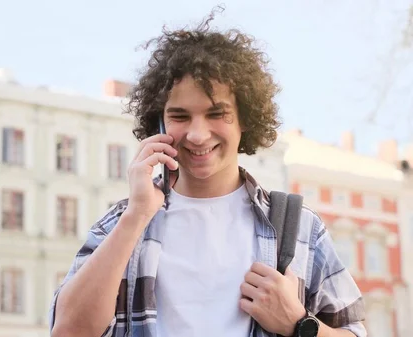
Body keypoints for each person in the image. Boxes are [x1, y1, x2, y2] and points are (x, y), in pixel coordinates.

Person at [49, 9, 366, 337]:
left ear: (245, 119)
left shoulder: (300, 228)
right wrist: (135, 217)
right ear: (159, 124)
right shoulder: (121, 223)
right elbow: (67, 332)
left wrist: (298, 324)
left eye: (217, 113)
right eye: (180, 116)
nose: (198, 135)